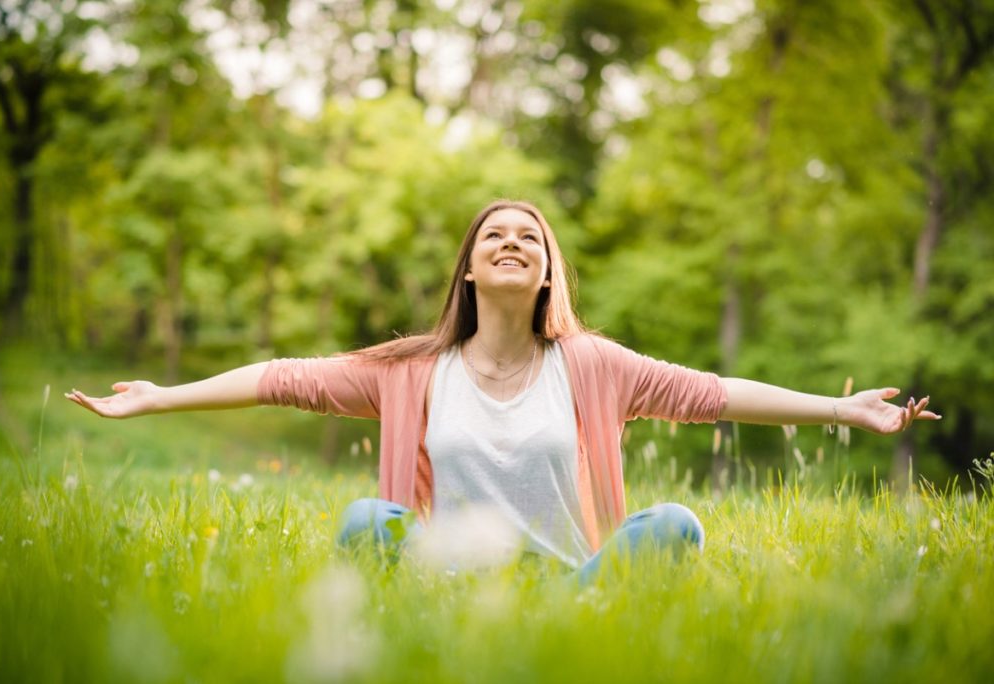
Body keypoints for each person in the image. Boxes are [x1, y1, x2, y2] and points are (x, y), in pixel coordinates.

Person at [66, 200, 939, 584]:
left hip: (573, 583)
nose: (513, 242)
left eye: (530, 236)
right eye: (495, 236)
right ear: (471, 270)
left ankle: (581, 624)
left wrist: (842, 408)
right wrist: (159, 396)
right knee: (368, 521)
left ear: (549, 270)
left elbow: (714, 394)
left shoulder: (593, 365)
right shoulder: (412, 371)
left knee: (676, 525)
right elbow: (279, 379)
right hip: (448, 584)